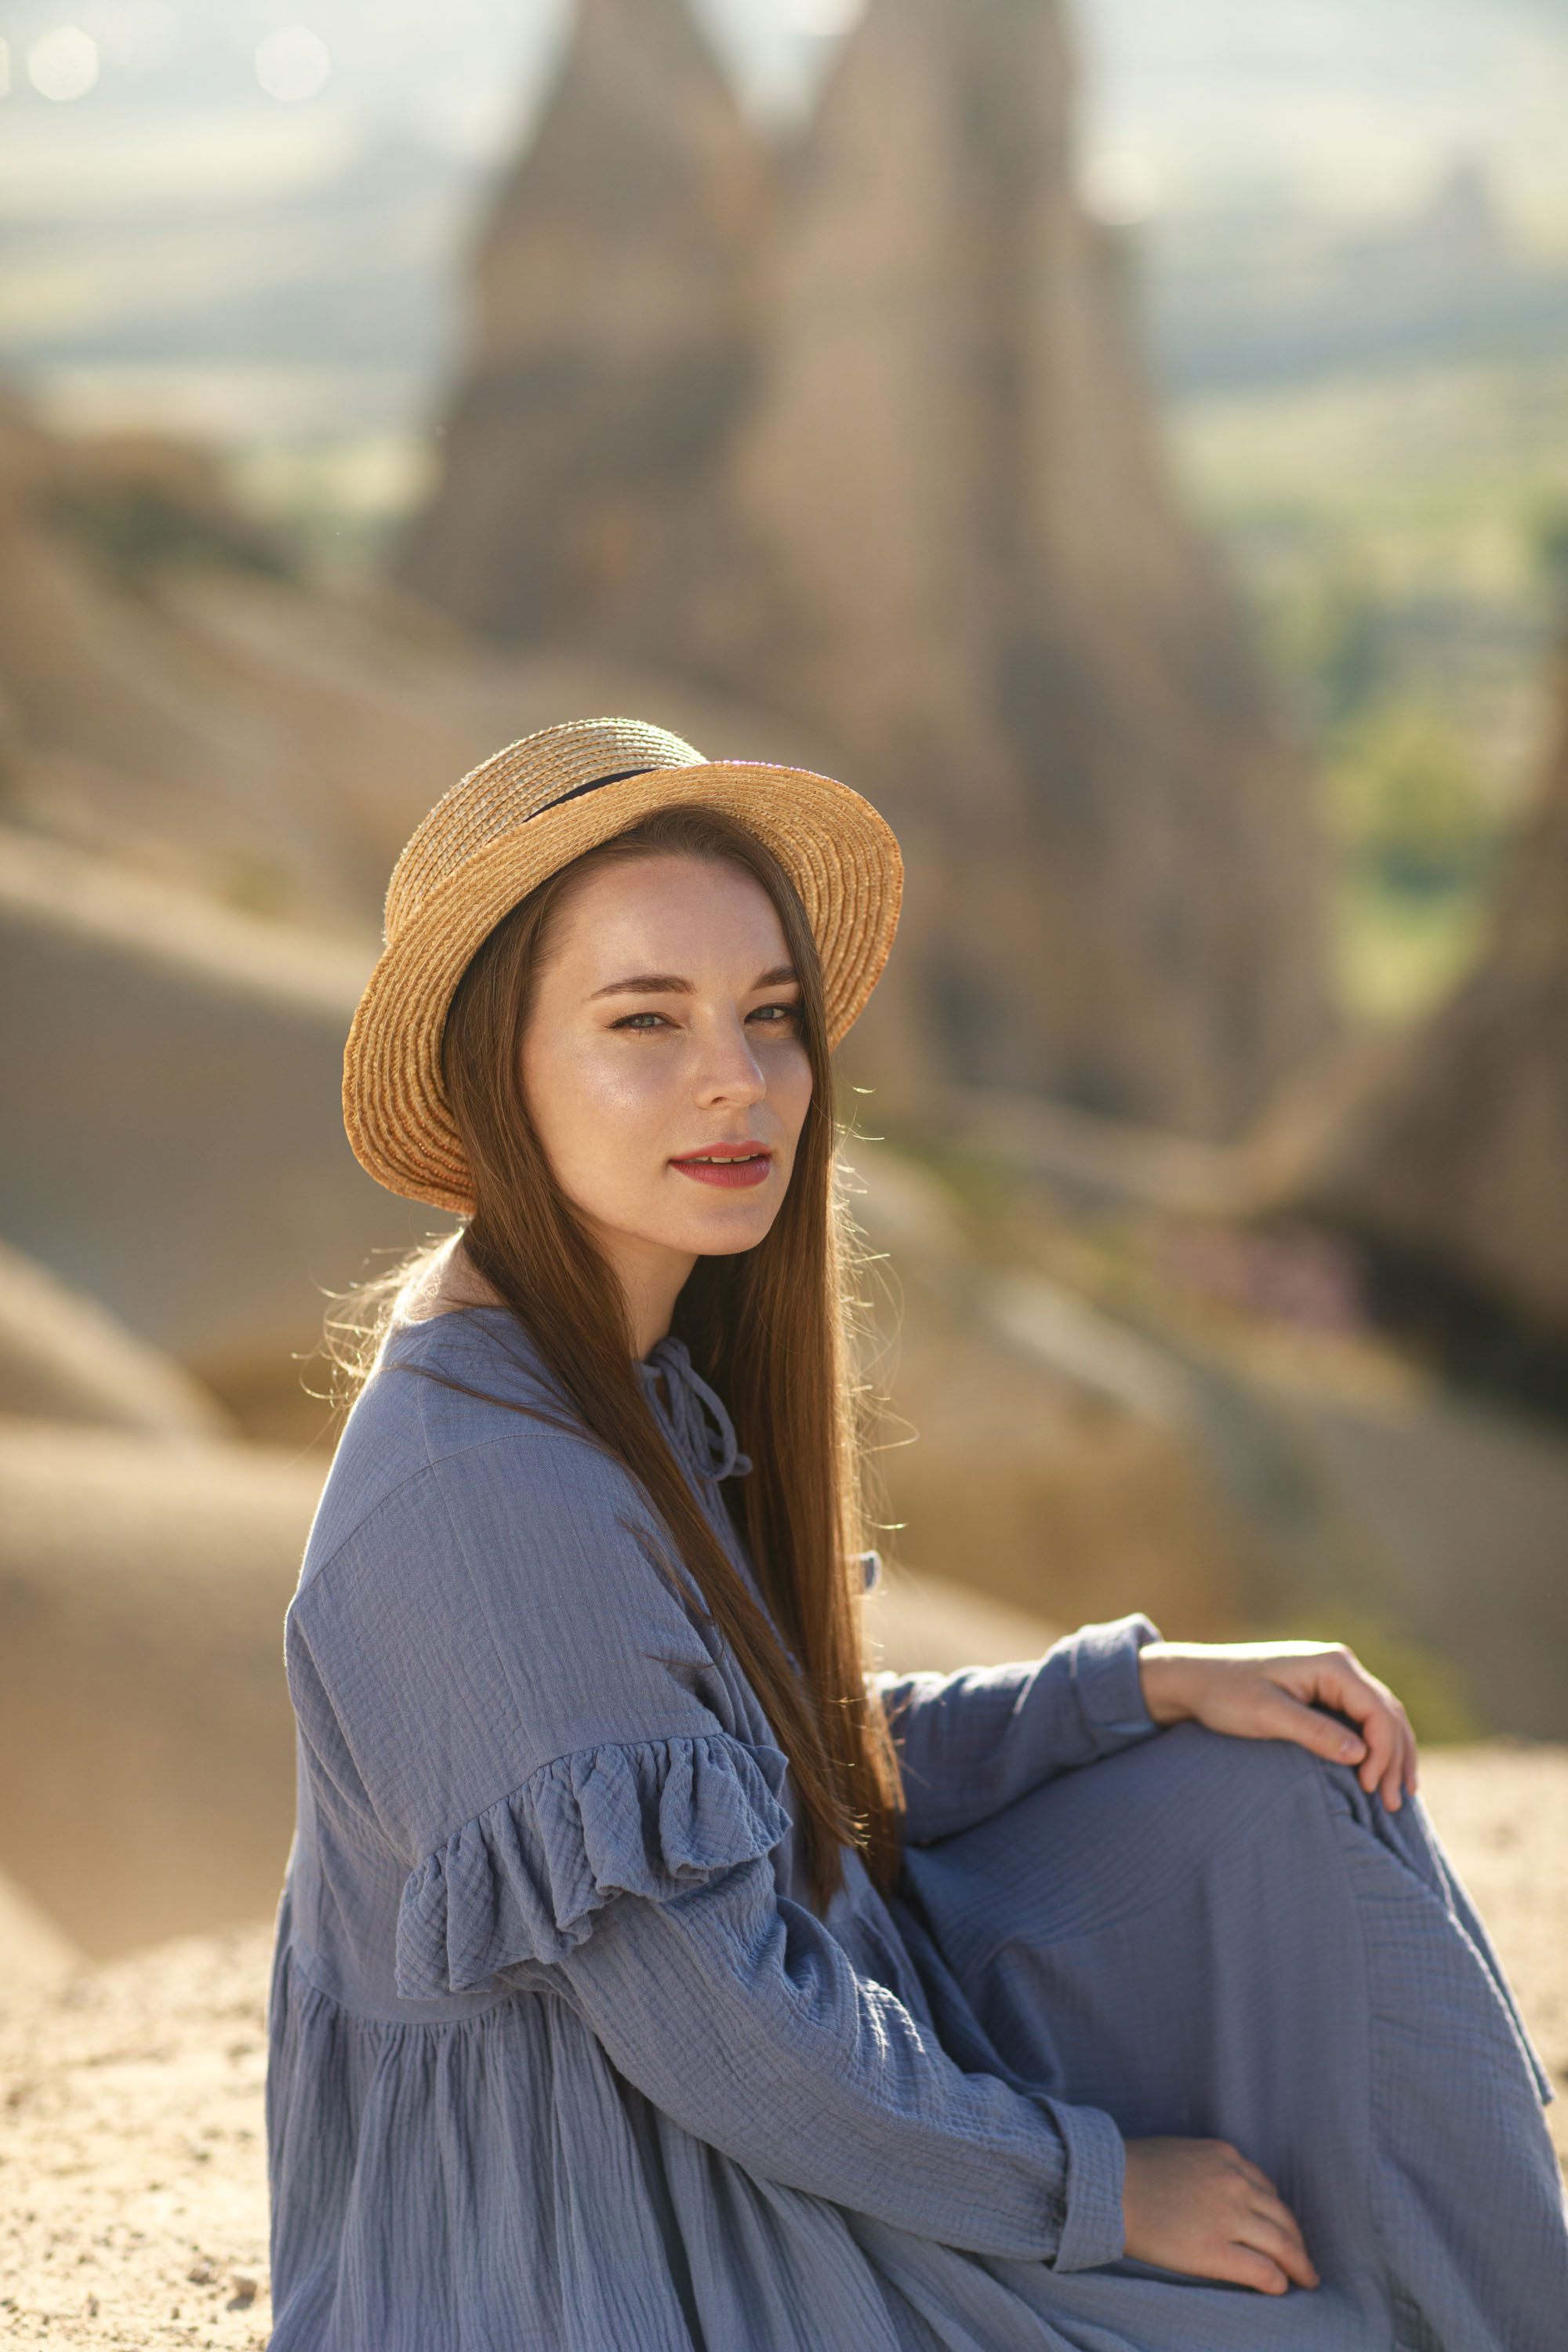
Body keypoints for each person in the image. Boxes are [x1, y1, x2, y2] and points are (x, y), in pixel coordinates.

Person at [267, 717, 1567, 2351]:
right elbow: (732, 2039)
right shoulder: (480, 1499)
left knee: (1277, 1798)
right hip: (623, 2236)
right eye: (641, 1021)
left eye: (768, 1016)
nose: (736, 1077)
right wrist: (1100, 2189)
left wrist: (1131, 1689)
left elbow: (750, 1781)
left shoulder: (612, 1377)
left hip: (739, 2119)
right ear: (492, 1070)